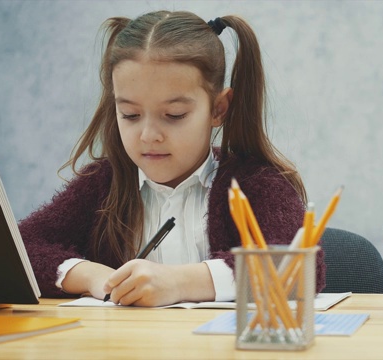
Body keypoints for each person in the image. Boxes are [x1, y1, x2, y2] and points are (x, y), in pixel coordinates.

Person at [19, 10, 325, 307]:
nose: (148, 135)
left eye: (174, 115)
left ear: (218, 108)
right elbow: (16, 249)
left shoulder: (257, 182)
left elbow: (299, 268)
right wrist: (92, 276)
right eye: (130, 114)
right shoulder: (102, 182)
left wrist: (178, 283)